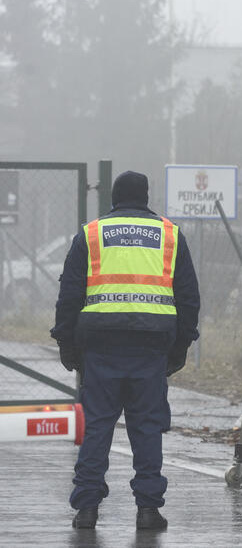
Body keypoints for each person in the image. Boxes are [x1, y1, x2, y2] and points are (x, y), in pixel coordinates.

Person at [50, 170, 200, 531]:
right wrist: (180, 347)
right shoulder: (170, 235)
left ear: (113, 199)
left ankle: (86, 509)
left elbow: (70, 295)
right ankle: (148, 510)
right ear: (146, 197)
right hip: (151, 348)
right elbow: (189, 298)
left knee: (97, 426)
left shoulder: (90, 234)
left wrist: (67, 344)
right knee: (147, 427)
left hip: (100, 347)